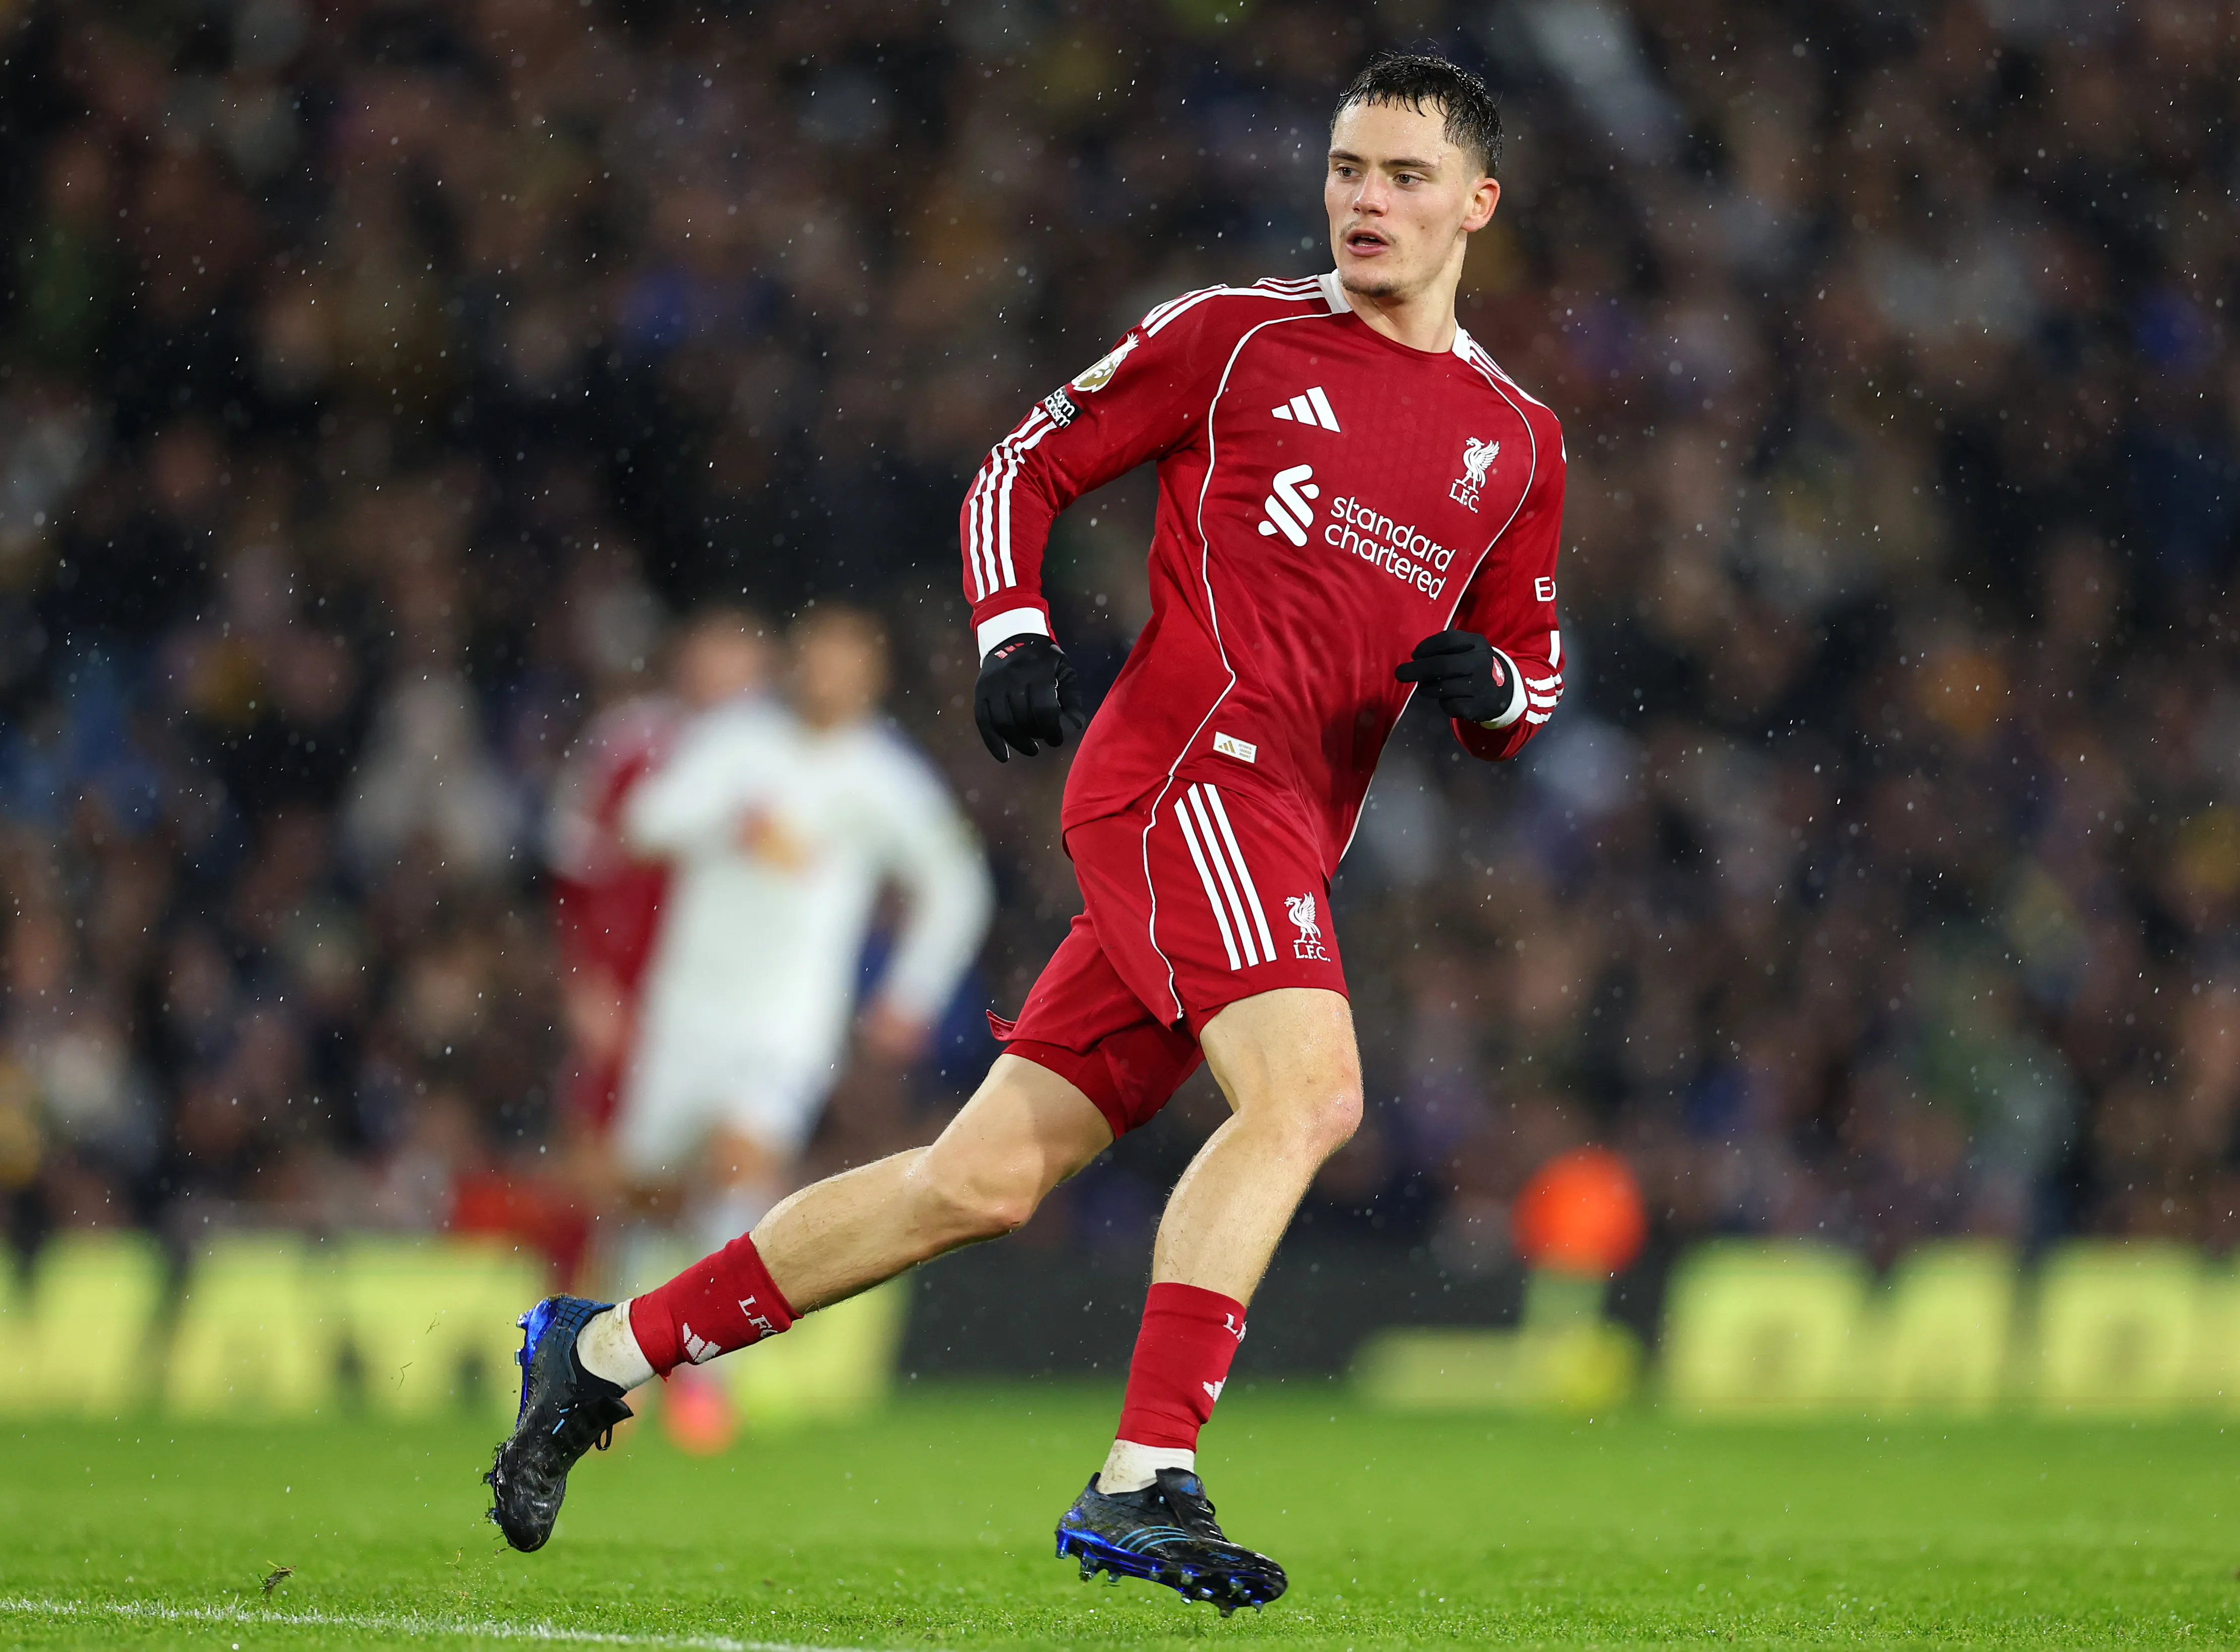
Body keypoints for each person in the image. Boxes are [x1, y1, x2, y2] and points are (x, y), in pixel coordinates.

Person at [488, 53, 1566, 1614]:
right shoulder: (1234, 337)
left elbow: (1527, 672)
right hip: (1184, 781)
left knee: (976, 1181)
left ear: (1476, 204)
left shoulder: (1515, 441)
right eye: (1347, 168)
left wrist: (1494, 693)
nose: (1365, 199)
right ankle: (1145, 1472)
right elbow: (1021, 465)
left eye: (1404, 176)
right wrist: (1010, 630)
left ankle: (598, 1353)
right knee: (1310, 1094)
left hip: (1283, 829)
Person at [612, 604, 993, 1247]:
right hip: (690, 1001)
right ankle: (634, 1297)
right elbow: (643, 822)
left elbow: (958, 885)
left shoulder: (885, 777)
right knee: (647, 1188)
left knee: (743, 1156)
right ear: (795, 662)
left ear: (872, 678)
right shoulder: (735, 740)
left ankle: (716, 1310)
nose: (826, 678)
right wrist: (730, 821)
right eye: (817, 660)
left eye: (843, 666)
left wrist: (912, 994)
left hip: (789, 1015)